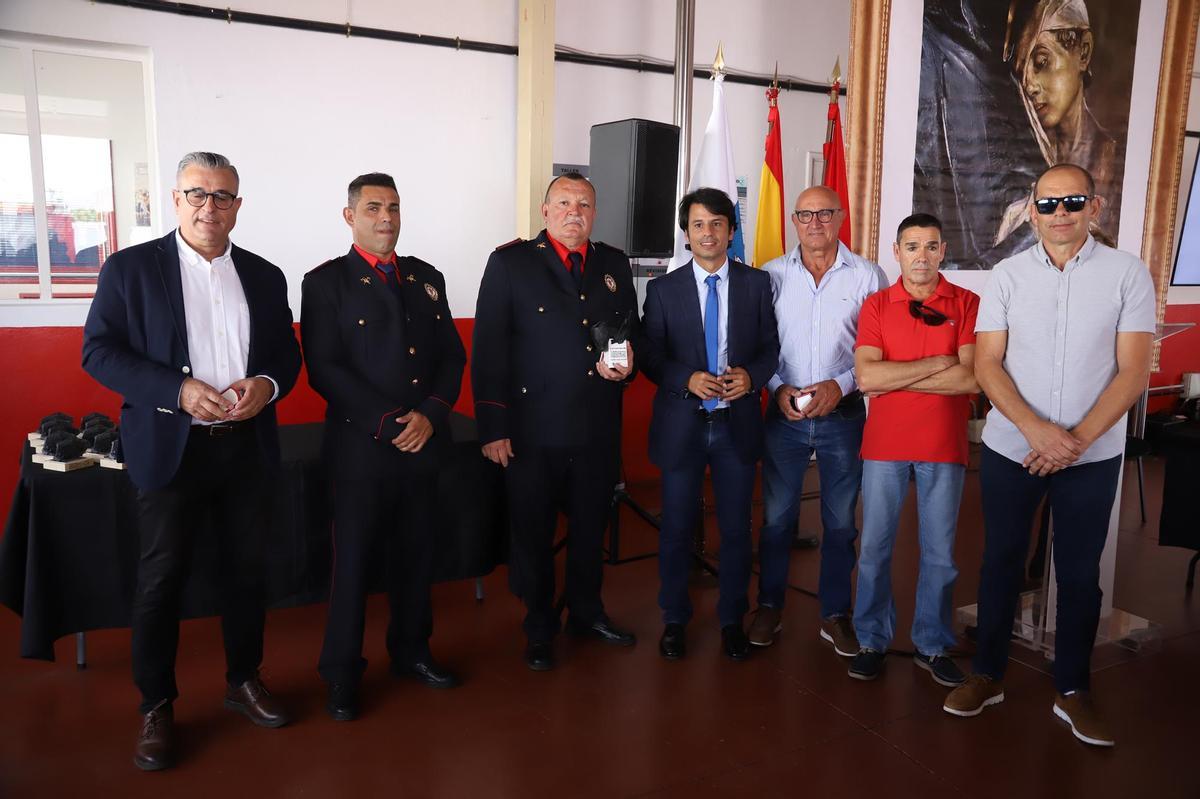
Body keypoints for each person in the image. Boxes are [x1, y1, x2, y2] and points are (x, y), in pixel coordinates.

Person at [82, 151, 301, 771]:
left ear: (238, 205)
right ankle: (156, 705)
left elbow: (286, 354)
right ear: (176, 201)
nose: (210, 207)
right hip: (168, 448)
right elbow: (98, 352)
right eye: (197, 194)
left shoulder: (264, 274)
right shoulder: (130, 270)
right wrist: (175, 391)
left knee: (246, 573)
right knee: (160, 581)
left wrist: (266, 384)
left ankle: (243, 680)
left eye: (223, 196)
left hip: (245, 450)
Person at [943, 163, 1155, 748]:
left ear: (1096, 207)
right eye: (1048, 204)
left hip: (1091, 454)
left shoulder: (1127, 275)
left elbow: (1134, 371)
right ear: (1031, 211)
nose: (1059, 213)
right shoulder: (1006, 276)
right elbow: (987, 364)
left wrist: (1074, 441)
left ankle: (1073, 689)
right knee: (1001, 564)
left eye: (1072, 201)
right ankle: (987, 674)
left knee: (1081, 575)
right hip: (1015, 447)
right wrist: (1037, 431)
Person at [300, 173, 467, 721]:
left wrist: (432, 415)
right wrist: (390, 421)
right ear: (350, 216)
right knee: (352, 566)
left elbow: (451, 357)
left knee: (417, 556)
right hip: (363, 450)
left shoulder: (426, 277)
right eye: (373, 208)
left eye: (394, 207)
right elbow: (325, 368)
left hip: (423, 444)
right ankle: (342, 673)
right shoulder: (326, 282)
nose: (386, 218)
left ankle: (412, 652)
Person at [471, 172, 638, 671]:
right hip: (532, 430)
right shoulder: (511, 263)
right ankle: (540, 625)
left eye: (584, 204)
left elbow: (629, 332)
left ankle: (587, 612)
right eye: (563, 203)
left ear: (594, 212)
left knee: (590, 529)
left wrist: (628, 362)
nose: (574, 212)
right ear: (545, 211)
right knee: (534, 533)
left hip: (595, 426)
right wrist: (493, 427)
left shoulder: (611, 263)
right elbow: (488, 352)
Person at [640, 188, 780, 661]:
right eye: (698, 224)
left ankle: (730, 621)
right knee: (677, 526)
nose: (708, 233)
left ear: (731, 231)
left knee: (738, 530)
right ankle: (675, 619)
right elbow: (651, 356)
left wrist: (752, 377)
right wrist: (687, 378)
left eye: (717, 224)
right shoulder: (662, 290)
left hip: (734, 424)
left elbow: (769, 349)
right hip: (683, 422)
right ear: (686, 234)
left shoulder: (757, 284)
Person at [751, 187, 887, 653]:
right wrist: (777, 388)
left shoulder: (868, 276)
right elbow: (759, 346)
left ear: (840, 216)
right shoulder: (770, 275)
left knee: (841, 521)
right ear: (793, 219)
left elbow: (879, 348)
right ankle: (769, 607)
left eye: (824, 213)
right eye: (805, 214)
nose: (815, 222)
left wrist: (841, 385)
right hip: (784, 411)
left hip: (842, 413)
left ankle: (835, 613)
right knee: (777, 520)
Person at [847, 213, 979, 684]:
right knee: (875, 549)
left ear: (943, 251)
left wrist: (899, 375)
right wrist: (938, 363)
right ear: (896, 252)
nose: (920, 256)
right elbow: (867, 377)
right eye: (911, 246)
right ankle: (870, 639)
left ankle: (933, 643)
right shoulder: (877, 305)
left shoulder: (967, 302)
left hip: (944, 444)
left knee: (940, 553)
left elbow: (972, 376)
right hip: (883, 446)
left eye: (930, 246)